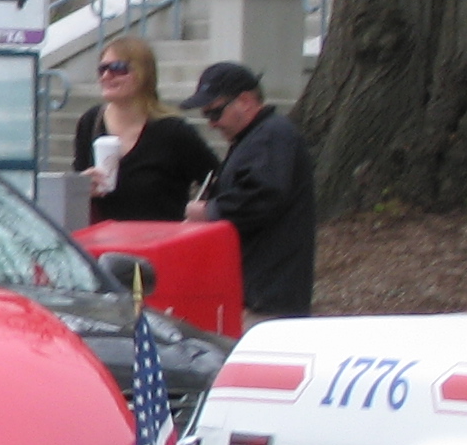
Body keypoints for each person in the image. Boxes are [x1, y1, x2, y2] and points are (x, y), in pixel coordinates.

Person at [183, 61, 317, 323]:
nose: (212, 124)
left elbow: (263, 196)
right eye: (207, 116)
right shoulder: (256, 138)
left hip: (267, 297)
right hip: (258, 290)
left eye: (215, 113)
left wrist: (209, 211)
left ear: (245, 101)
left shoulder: (271, 136)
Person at [73, 35, 214, 222]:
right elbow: (74, 187)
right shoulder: (90, 122)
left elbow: (215, 180)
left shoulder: (172, 131)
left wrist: (199, 215)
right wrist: (82, 186)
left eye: (118, 68)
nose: (106, 76)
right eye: (102, 69)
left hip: (160, 237)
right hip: (101, 237)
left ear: (143, 74)